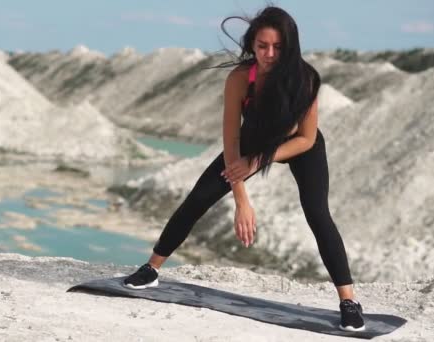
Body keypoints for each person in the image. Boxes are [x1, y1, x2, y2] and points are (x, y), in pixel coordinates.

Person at [122, 6, 365, 332]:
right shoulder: (240, 78)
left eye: (277, 47)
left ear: (289, 46)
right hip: (250, 141)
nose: (269, 54)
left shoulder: (305, 79)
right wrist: (241, 199)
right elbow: (231, 136)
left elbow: (306, 138)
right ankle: (151, 269)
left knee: (318, 214)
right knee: (198, 199)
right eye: (262, 45)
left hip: (298, 145)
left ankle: (348, 301)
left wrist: (259, 160)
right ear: (252, 44)